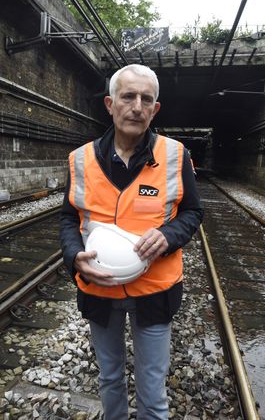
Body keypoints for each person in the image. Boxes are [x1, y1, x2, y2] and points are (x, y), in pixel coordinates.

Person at [59, 64, 203, 419]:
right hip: (99, 291)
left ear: (155, 110)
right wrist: (74, 254)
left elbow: (193, 213)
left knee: (152, 390)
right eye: (128, 97)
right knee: (109, 379)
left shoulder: (175, 155)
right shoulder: (81, 159)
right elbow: (68, 218)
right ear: (110, 104)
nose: (136, 106)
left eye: (146, 99)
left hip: (155, 292)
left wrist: (169, 235)